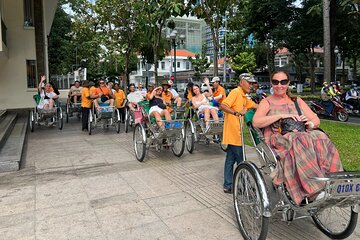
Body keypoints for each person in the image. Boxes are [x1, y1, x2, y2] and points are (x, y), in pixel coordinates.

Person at [252, 70, 343, 205]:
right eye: (276, 82)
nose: (279, 85)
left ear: (288, 83)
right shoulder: (267, 102)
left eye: (283, 82)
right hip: (278, 137)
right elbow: (256, 122)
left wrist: (309, 122)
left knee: (321, 137)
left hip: (301, 134)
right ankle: (314, 190)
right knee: (297, 139)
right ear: (272, 83)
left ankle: (335, 182)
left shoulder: (296, 101)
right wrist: (280, 116)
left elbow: (315, 119)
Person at [219, 73, 258, 194]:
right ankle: (245, 185)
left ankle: (228, 185)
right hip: (234, 133)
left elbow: (255, 105)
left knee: (230, 159)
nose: (251, 85)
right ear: (241, 82)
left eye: (252, 83)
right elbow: (223, 105)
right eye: (249, 82)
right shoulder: (236, 92)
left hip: (235, 133)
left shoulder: (243, 96)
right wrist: (236, 113)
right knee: (242, 160)